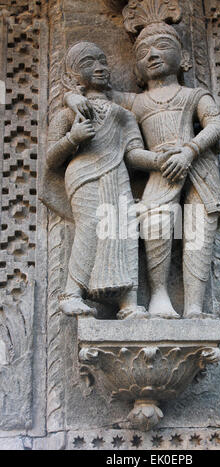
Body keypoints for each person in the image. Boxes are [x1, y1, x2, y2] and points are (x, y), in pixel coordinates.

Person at [65, 23, 220, 320]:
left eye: (163, 46)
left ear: (184, 57)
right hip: (160, 169)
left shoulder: (194, 95)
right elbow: (95, 95)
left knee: (197, 228)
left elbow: (215, 124)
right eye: (143, 52)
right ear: (136, 68)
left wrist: (189, 150)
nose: (152, 55)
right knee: (156, 225)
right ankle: (160, 295)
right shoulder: (136, 102)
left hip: (198, 167)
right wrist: (71, 98)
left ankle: (193, 306)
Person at [42, 41, 162, 319]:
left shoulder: (123, 114)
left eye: (102, 61)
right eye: (88, 63)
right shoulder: (69, 113)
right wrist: (74, 137)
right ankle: (71, 294)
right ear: (72, 76)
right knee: (91, 226)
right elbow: (51, 158)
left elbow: (133, 154)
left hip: (117, 173)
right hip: (83, 173)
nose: (99, 68)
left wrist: (158, 160)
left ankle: (128, 302)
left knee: (125, 229)